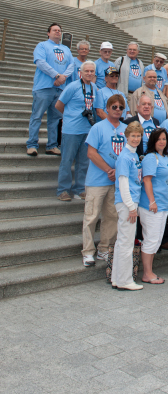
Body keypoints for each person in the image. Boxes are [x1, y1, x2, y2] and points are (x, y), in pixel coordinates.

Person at [82, 93, 125, 267]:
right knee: (91, 217)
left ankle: (104, 249)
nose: (117, 110)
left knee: (111, 217)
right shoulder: (98, 128)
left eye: (120, 107)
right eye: (114, 107)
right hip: (97, 180)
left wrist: (119, 172)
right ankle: (87, 252)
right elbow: (91, 153)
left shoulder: (125, 129)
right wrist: (109, 169)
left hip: (116, 182)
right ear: (107, 109)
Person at [28, 22, 74, 156]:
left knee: (55, 119)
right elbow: (40, 62)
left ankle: (52, 145)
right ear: (48, 33)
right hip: (44, 87)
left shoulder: (66, 49)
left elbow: (71, 64)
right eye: (55, 30)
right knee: (37, 116)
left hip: (60, 89)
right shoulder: (42, 45)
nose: (58, 32)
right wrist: (57, 75)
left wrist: (64, 76)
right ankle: (32, 144)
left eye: (59, 30)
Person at [55, 61, 97, 201]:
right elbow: (59, 105)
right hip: (71, 130)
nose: (89, 73)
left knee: (84, 161)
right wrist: (69, 118)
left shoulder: (94, 88)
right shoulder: (72, 86)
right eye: (87, 71)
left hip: (87, 130)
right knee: (67, 161)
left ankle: (79, 188)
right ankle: (63, 190)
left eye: (92, 71)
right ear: (81, 72)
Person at [138, 127, 168, 284]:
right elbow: (147, 180)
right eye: (159, 139)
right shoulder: (151, 158)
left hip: (162, 205)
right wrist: (152, 201)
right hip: (150, 205)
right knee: (151, 239)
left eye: (164, 139)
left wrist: (166, 202)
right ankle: (147, 273)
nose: (162, 142)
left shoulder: (166, 158)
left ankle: (150, 270)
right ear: (153, 141)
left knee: (157, 239)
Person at [111, 122, 143, 290]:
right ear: (126, 136)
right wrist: (131, 207)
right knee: (126, 242)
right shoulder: (124, 156)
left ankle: (117, 278)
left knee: (121, 241)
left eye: (138, 136)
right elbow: (123, 182)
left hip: (130, 201)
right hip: (126, 202)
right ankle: (125, 280)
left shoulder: (134, 155)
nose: (136, 139)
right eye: (133, 136)